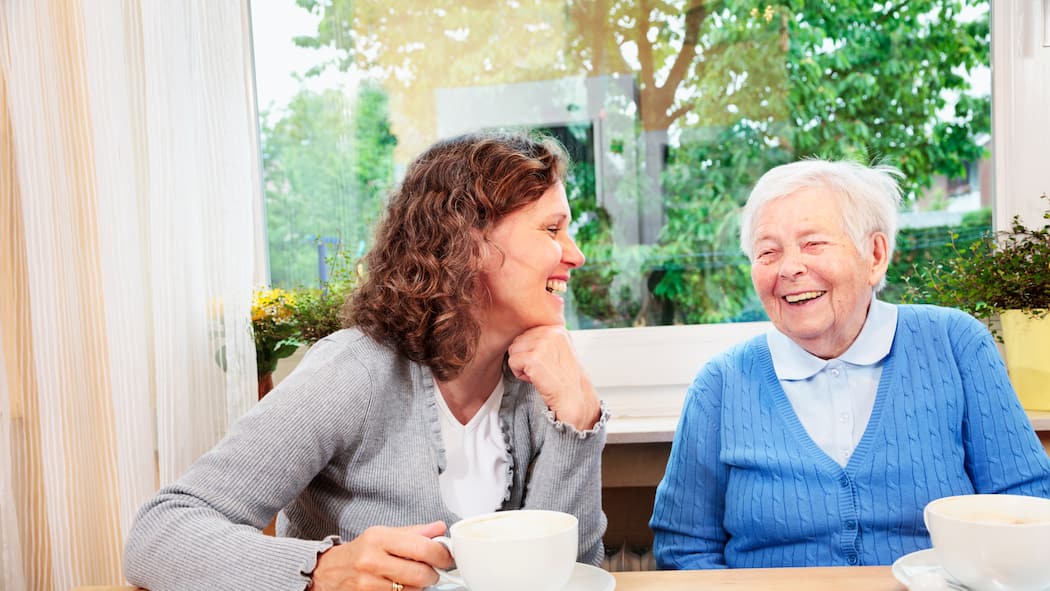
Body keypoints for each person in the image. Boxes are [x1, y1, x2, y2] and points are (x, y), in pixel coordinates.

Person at [124, 132, 609, 591]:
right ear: (469, 242)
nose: (576, 255)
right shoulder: (353, 371)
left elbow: (573, 572)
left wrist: (579, 418)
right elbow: (158, 532)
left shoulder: (541, 380)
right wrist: (317, 571)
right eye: (552, 229)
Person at [650, 159, 1050, 570]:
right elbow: (685, 550)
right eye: (768, 252)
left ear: (874, 255)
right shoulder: (721, 383)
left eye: (813, 244)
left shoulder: (956, 344)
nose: (789, 268)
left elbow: (1028, 507)